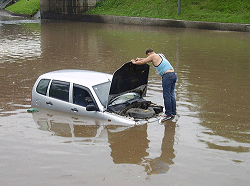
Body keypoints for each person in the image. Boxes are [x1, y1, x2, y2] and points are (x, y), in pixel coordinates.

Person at [131, 48, 177, 120]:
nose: (147, 58)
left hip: (167, 76)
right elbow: (147, 59)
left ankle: (168, 114)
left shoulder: (152, 56)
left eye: (147, 56)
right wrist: (140, 58)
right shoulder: (160, 55)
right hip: (173, 75)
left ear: (148, 54)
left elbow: (143, 62)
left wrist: (134, 62)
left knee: (167, 95)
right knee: (171, 94)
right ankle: (173, 112)